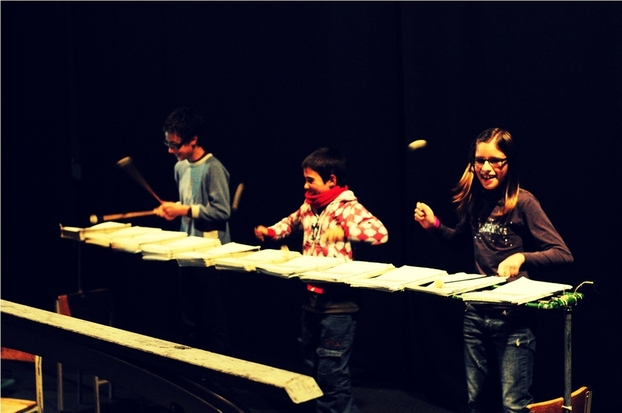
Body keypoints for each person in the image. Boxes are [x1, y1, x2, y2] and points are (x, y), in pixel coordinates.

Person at [414, 128, 573, 413]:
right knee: (477, 401)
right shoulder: (475, 200)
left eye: (495, 160)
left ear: (509, 163)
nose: (486, 168)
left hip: (512, 318)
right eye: (480, 160)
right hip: (475, 313)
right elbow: (458, 239)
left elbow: (562, 254)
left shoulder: (523, 202)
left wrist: (521, 258)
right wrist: (433, 225)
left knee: (513, 405)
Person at [254, 147, 389, 413]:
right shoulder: (308, 207)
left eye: (310, 180)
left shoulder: (348, 208)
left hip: (338, 305)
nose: (305, 185)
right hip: (312, 301)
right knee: (312, 364)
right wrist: (270, 233)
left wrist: (345, 231)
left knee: (332, 373)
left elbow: (380, 233)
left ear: (331, 180)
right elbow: (289, 223)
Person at [154, 106, 232, 355]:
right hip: (186, 253)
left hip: (210, 256)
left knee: (213, 323)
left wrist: (183, 209)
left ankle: (219, 376)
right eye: (168, 144)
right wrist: (173, 211)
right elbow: (188, 206)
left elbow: (222, 212)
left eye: (175, 145)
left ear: (193, 140)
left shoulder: (213, 168)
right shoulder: (180, 168)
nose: (171, 150)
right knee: (190, 322)